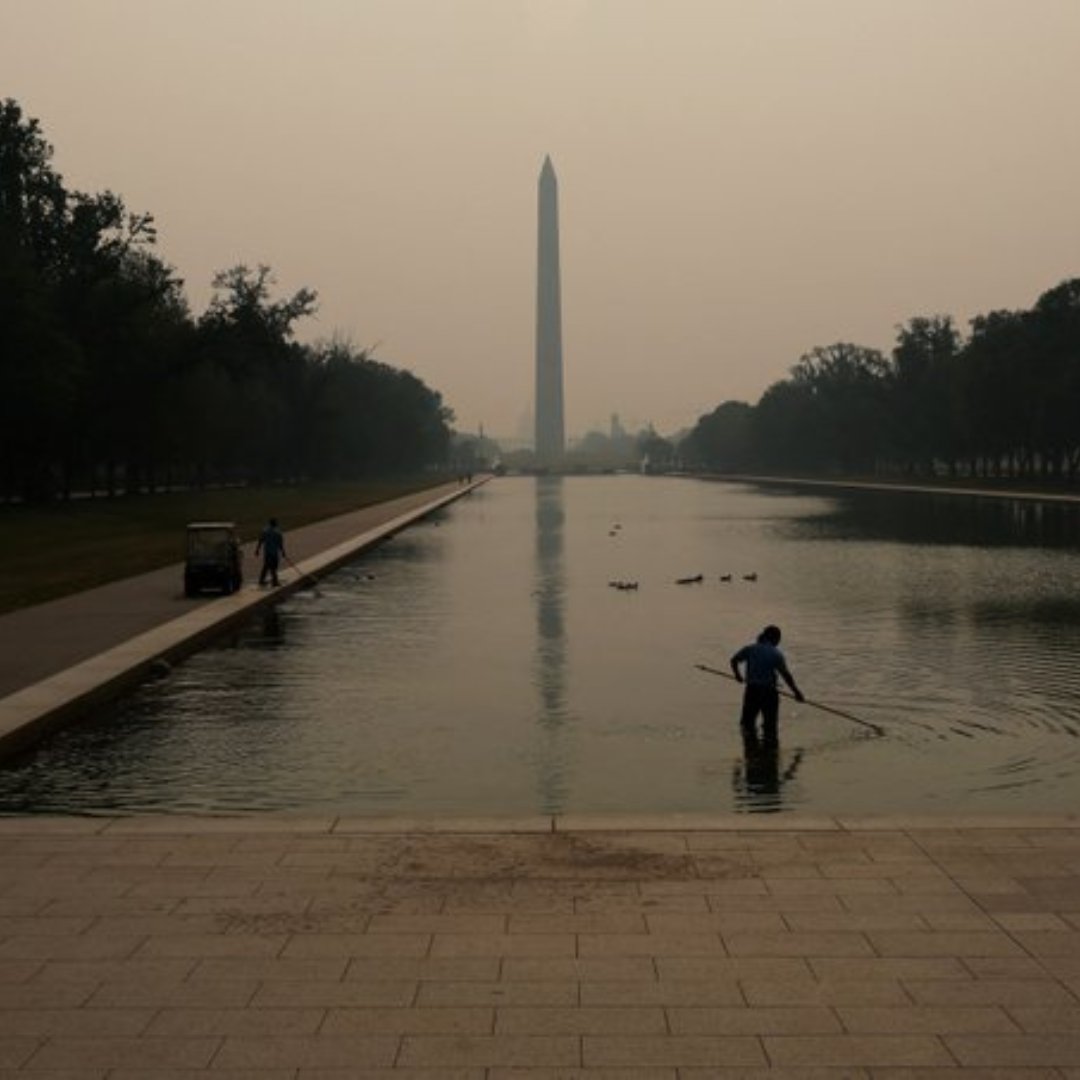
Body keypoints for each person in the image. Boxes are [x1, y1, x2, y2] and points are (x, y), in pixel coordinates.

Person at [730, 624, 804, 750]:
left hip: (752, 691)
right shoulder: (776, 654)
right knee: (770, 726)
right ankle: (769, 752)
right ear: (774, 638)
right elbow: (786, 675)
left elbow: (734, 660)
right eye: (778, 639)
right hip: (768, 693)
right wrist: (796, 692)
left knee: (747, 723)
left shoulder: (750, 649)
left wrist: (738, 675)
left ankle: (750, 749)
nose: (779, 642)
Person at [255, 517, 285, 587]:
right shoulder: (277, 532)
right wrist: (283, 552)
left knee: (266, 566)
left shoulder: (265, 531)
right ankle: (275, 582)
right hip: (273, 553)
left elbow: (260, 541)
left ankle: (262, 580)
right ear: (275, 524)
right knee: (273, 567)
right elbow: (280, 544)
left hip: (267, 552)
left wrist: (257, 550)